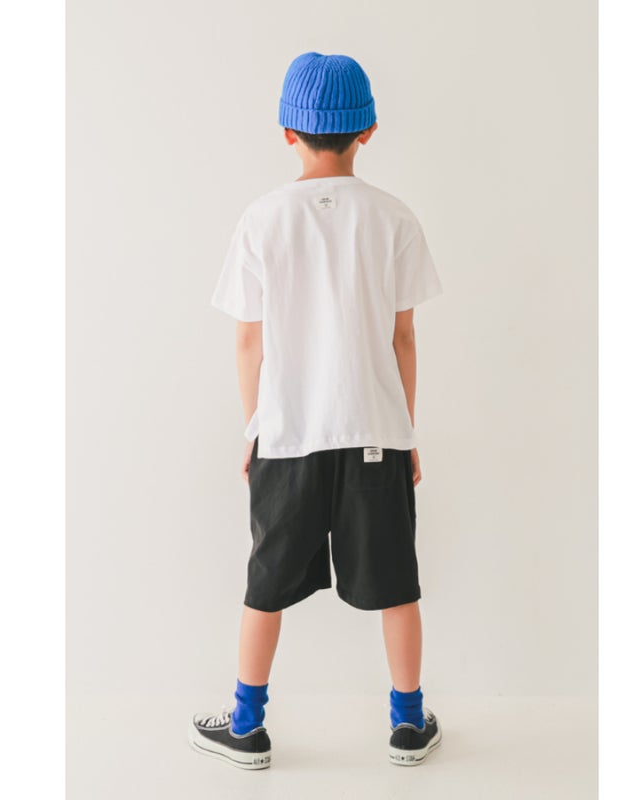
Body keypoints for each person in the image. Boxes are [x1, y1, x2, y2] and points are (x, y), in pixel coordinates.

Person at [189, 51, 444, 770]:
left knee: (265, 585)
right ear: (368, 130)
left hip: (288, 434)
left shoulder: (262, 219)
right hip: (375, 434)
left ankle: (247, 726)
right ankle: (408, 724)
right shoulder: (394, 218)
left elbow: (249, 340)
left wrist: (256, 426)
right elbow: (402, 338)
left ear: (286, 132)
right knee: (397, 583)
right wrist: (405, 432)